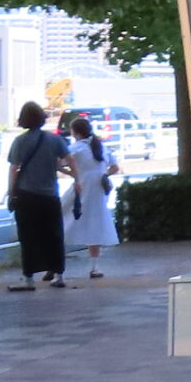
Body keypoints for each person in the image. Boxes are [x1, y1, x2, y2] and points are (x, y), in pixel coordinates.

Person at [5, 102, 70, 290]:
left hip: (26, 196)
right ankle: (59, 275)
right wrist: (77, 179)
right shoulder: (54, 140)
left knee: (28, 237)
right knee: (54, 235)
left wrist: (11, 190)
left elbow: (14, 168)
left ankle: (29, 278)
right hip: (50, 195)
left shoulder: (19, 141)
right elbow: (69, 159)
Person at [61, 113, 120, 280]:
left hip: (82, 186)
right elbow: (115, 167)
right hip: (99, 189)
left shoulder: (76, 148)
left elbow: (60, 162)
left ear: (75, 132)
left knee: (62, 216)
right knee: (95, 223)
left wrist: (73, 174)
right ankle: (94, 267)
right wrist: (104, 175)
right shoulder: (100, 146)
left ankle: (55, 264)